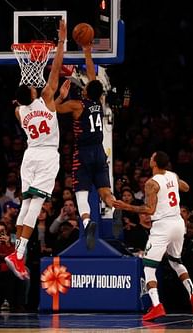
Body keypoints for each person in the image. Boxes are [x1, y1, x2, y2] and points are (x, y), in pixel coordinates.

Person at [4, 19, 66, 280]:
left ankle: (17, 252)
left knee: (27, 204)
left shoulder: (20, 111)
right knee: (35, 204)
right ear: (32, 92)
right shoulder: (45, 97)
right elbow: (55, 71)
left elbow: (28, 105)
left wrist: (59, 98)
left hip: (29, 156)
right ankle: (19, 254)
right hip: (46, 155)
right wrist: (61, 42)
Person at [113, 151, 193, 321]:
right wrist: (173, 184)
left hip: (163, 225)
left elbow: (150, 210)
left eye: (151, 157)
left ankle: (156, 306)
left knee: (149, 267)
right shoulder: (172, 176)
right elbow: (186, 187)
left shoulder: (151, 183)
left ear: (154, 162)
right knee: (176, 262)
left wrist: (126, 206)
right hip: (178, 223)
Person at [55, 43, 117, 250]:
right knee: (105, 192)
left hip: (83, 153)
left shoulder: (77, 105)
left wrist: (61, 96)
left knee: (81, 193)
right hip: (100, 152)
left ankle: (86, 222)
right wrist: (87, 51)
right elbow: (92, 77)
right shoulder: (99, 101)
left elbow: (53, 108)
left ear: (84, 91)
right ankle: (115, 207)